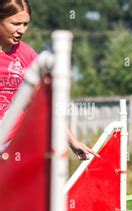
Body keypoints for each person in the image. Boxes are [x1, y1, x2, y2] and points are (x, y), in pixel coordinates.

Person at [0, 0, 98, 160]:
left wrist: (72, 141)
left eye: (25, 24)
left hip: (16, 147)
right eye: (16, 23)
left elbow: (45, 104)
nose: (21, 30)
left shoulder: (27, 55)